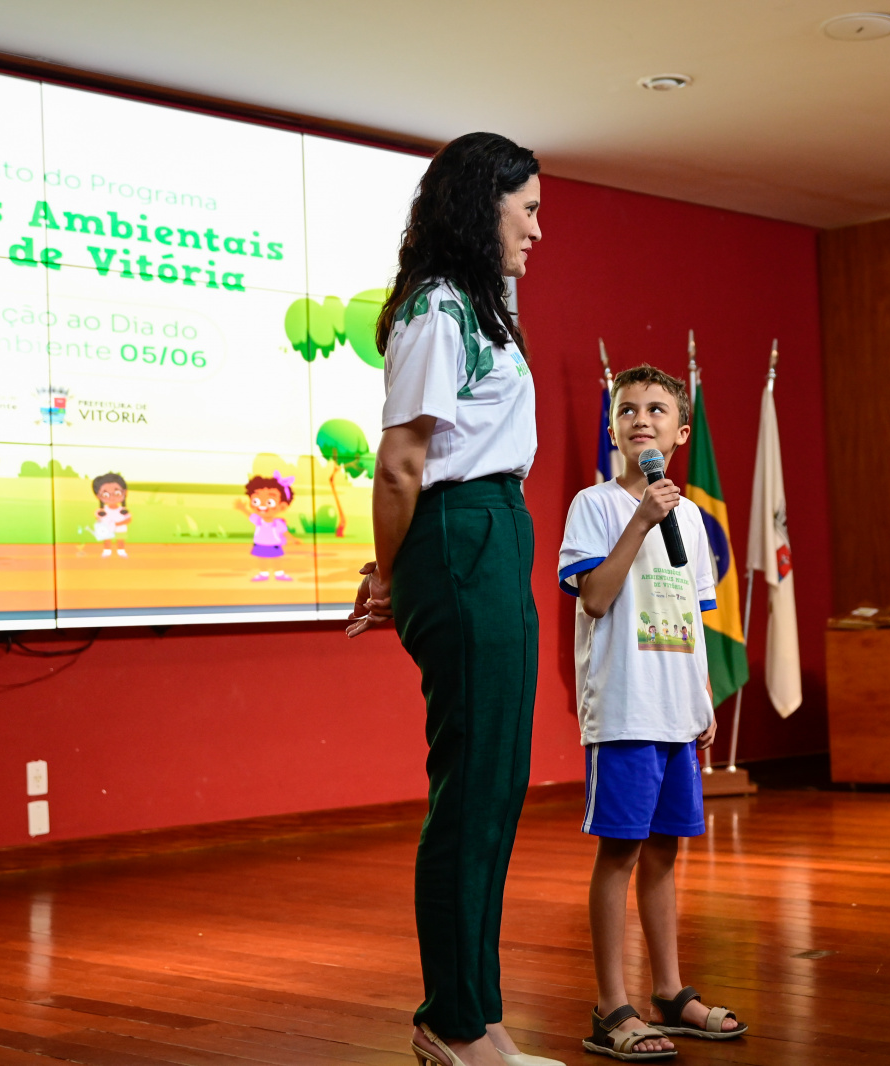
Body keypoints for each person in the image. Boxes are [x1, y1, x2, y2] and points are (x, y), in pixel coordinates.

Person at [345, 133, 558, 1066]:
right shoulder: (436, 307)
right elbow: (400, 462)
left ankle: (484, 1020)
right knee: (470, 792)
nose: (538, 230)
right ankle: (450, 1022)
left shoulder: (484, 303)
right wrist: (388, 575)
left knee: (496, 788)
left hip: (496, 526)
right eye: (529, 209)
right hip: (458, 530)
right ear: (484, 206)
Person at [557, 365, 748, 1061]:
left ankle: (669, 992)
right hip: (626, 711)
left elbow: (695, 615)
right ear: (613, 427)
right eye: (628, 409)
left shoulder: (693, 517)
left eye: (657, 410)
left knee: (666, 851)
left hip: (675, 710)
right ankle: (612, 1006)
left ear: (680, 430)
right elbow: (596, 598)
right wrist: (641, 520)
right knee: (622, 851)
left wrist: (702, 696)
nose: (642, 419)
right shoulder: (596, 506)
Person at [90, 473, 131, 558]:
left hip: (120, 529)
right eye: (106, 495)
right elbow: (98, 519)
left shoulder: (123, 511)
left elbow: (128, 519)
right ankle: (107, 551)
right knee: (107, 540)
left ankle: (121, 551)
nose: (112, 498)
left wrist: (117, 524)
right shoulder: (103, 510)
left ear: (125, 492)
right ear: (98, 496)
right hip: (107, 529)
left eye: (117, 493)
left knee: (120, 541)